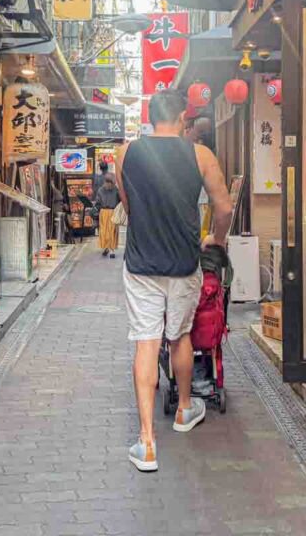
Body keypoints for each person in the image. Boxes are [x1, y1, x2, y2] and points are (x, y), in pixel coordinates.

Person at [115, 90, 233, 472]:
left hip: (141, 263)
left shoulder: (125, 153)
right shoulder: (200, 155)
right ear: (183, 117)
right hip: (183, 263)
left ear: (151, 117)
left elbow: (129, 205)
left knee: (146, 343)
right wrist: (217, 238)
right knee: (180, 336)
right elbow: (224, 207)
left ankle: (147, 441)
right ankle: (184, 409)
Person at [94, 173, 121, 258]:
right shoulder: (115, 189)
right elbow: (120, 200)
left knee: (107, 231)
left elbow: (98, 202)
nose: (110, 184)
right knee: (109, 231)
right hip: (110, 212)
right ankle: (108, 249)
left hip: (106, 212)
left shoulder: (101, 190)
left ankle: (109, 249)